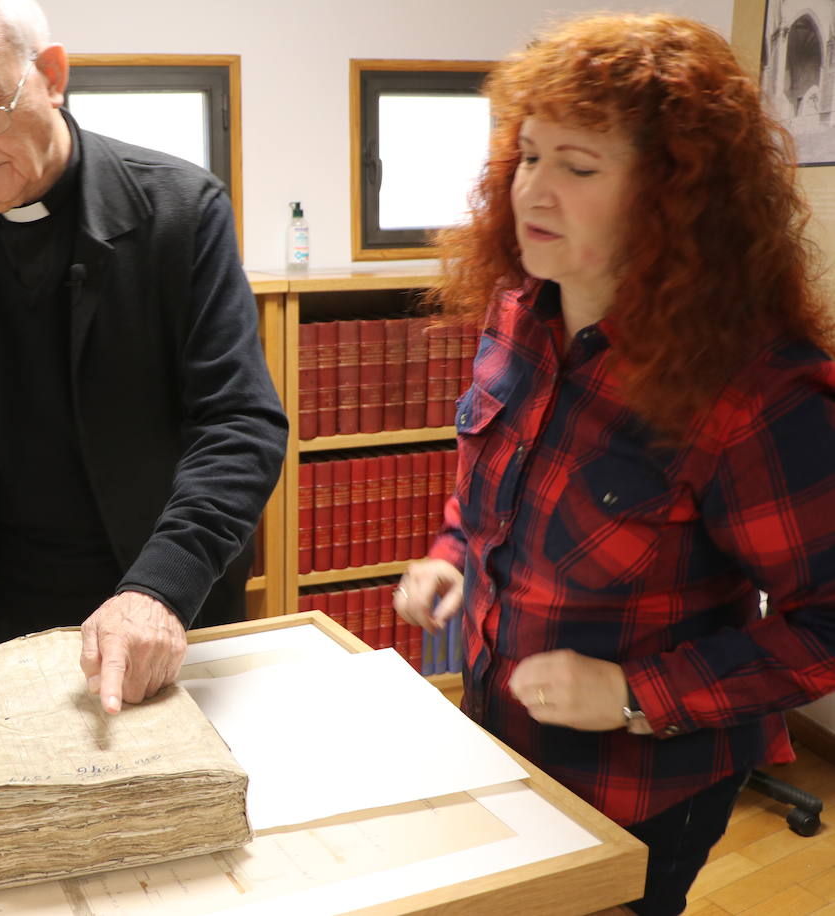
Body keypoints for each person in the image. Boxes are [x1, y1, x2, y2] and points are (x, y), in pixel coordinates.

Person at [395, 13, 835, 915]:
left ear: (674, 199)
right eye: (528, 157)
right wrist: (450, 553)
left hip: (642, 788)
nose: (533, 193)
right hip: (500, 736)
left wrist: (636, 694)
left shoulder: (752, 390)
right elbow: (487, 494)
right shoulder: (521, 308)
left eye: (579, 167)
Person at [0, 0, 286, 722]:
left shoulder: (181, 212)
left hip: (160, 605)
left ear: (52, 75)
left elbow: (239, 423)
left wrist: (158, 588)